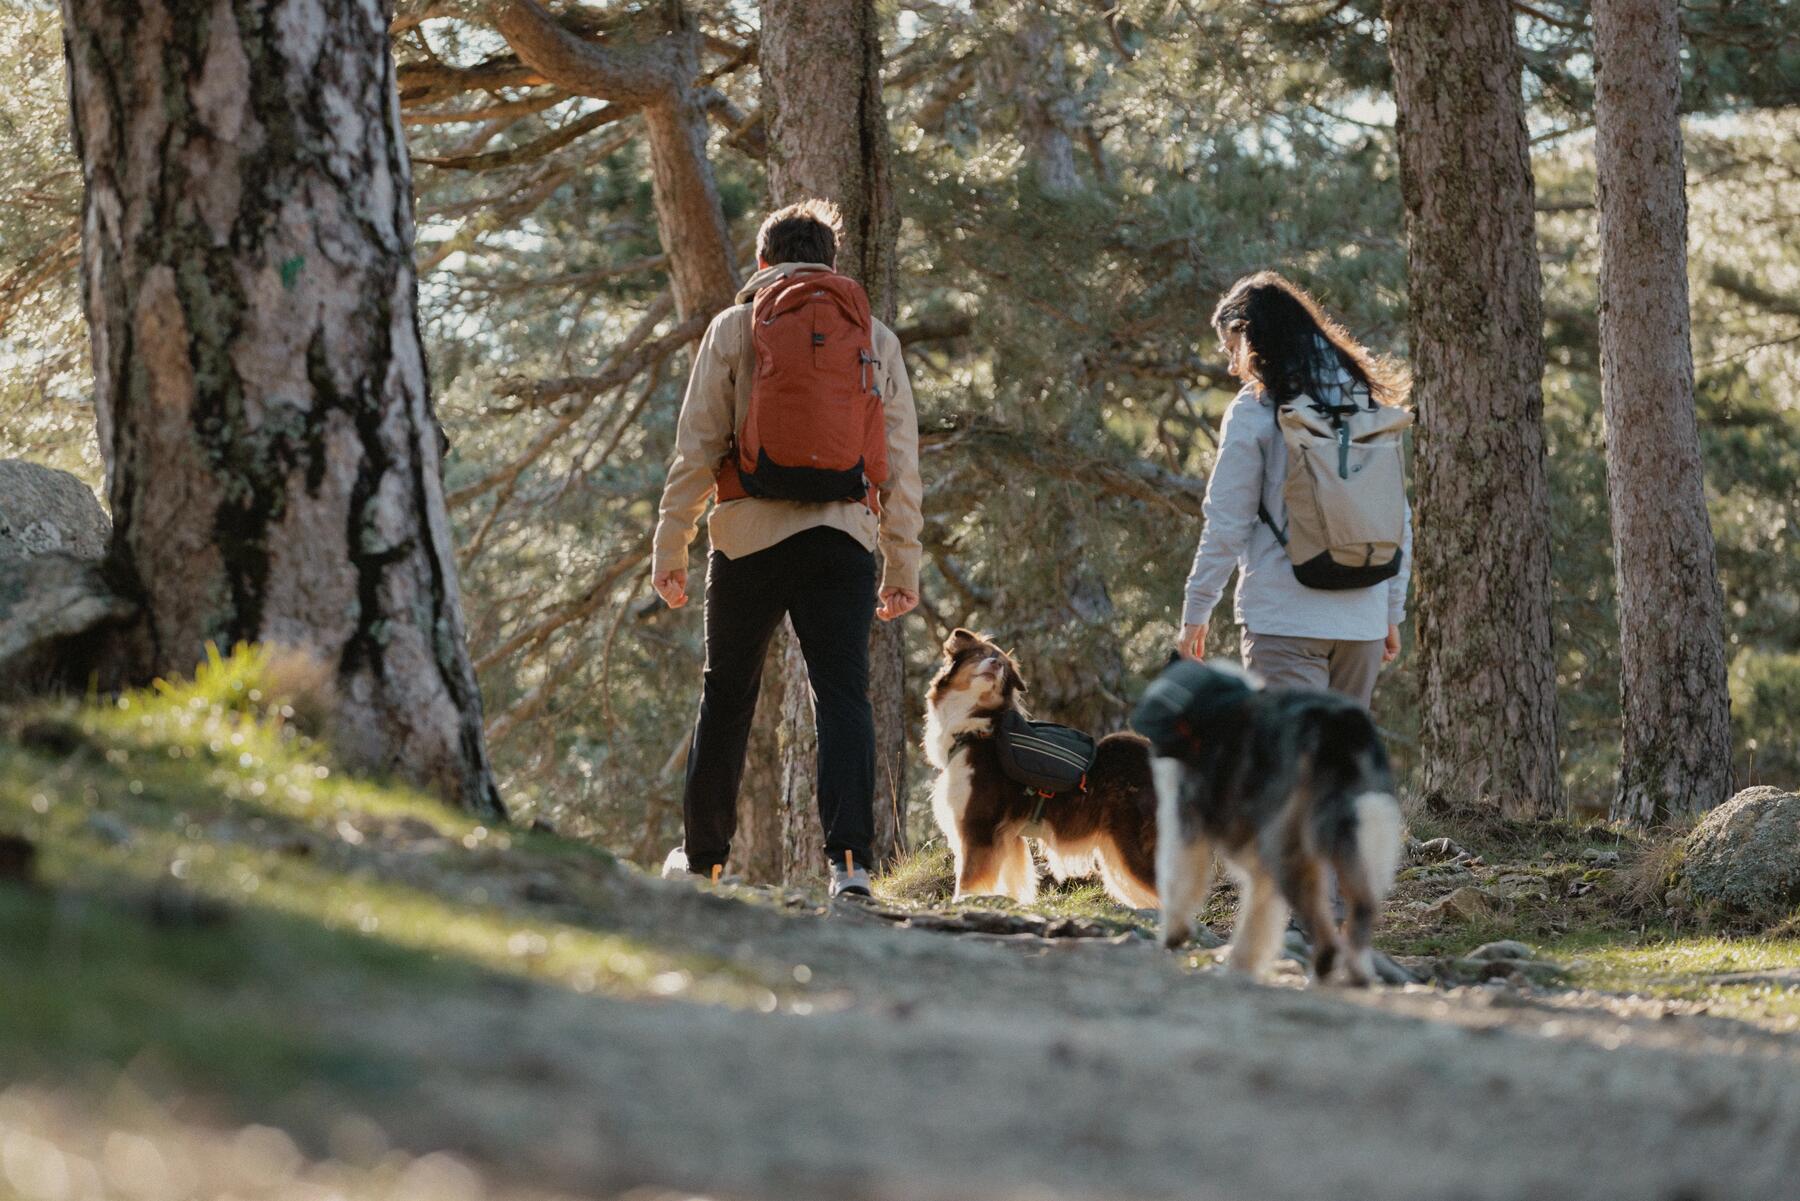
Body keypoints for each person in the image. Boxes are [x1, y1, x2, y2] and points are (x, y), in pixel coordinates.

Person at [651, 199, 923, 898]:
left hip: (748, 537)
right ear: (832, 264)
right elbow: (898, 461)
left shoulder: (735, 326)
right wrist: (901, 560)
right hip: (842, 539)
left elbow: (698, 444)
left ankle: (705, 860)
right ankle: (852, 867)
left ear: (764, 262)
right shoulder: (875, 337)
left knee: (728, 694)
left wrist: (672, 542)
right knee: (842, 697)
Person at [1178, 271, 1411, 709]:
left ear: (1253, 338)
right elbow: (1398, 516)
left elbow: (1227, 523)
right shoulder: (1366, 400)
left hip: (1285, 620)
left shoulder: (1257, 407)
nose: (1232, 366)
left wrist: (1196, 611)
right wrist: (1390, 611)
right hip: (1361, 621)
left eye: (1232, 349)